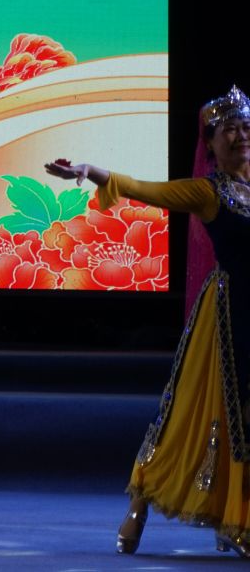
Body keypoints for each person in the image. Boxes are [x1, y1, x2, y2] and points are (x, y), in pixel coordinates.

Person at [47, 85, 250, 556]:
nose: (241, 136)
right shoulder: (209, 192)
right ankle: (140, 502)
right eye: (229, 129)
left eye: (246, 127)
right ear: (210, 142)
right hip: (227, 318)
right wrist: (90, 171)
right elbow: (145, 189)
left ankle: (235, 516)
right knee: (191, 415)